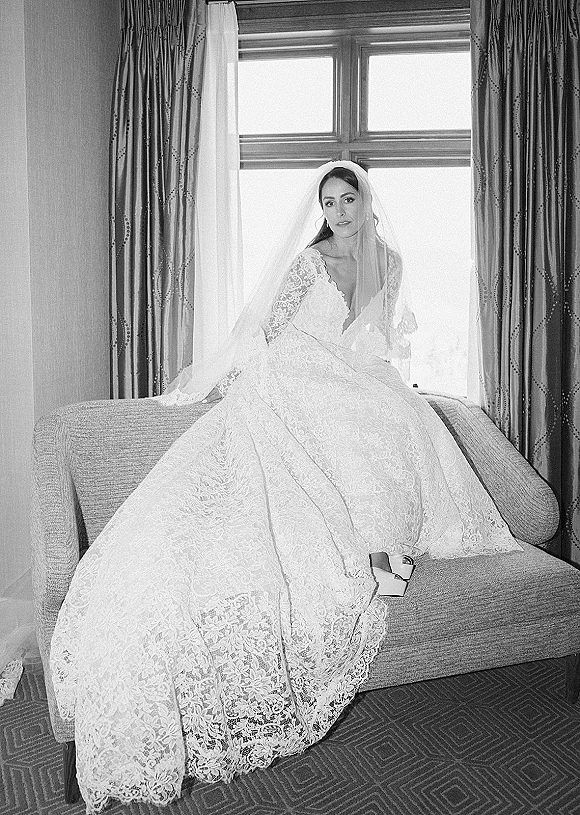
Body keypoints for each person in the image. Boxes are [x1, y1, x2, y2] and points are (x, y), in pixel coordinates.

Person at [50, 161, 520, 813]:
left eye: (346, 199)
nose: (337, 212)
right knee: (332, 425)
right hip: (300, 369)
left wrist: (370, 373)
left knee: (389, 419)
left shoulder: (390, 261)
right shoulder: (309, 263)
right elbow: (266, 330)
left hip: (359, 372)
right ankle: (348, 557)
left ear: (364, 200)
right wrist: (243, 372)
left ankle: (386, 558)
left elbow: (380, 338)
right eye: (327, 202)